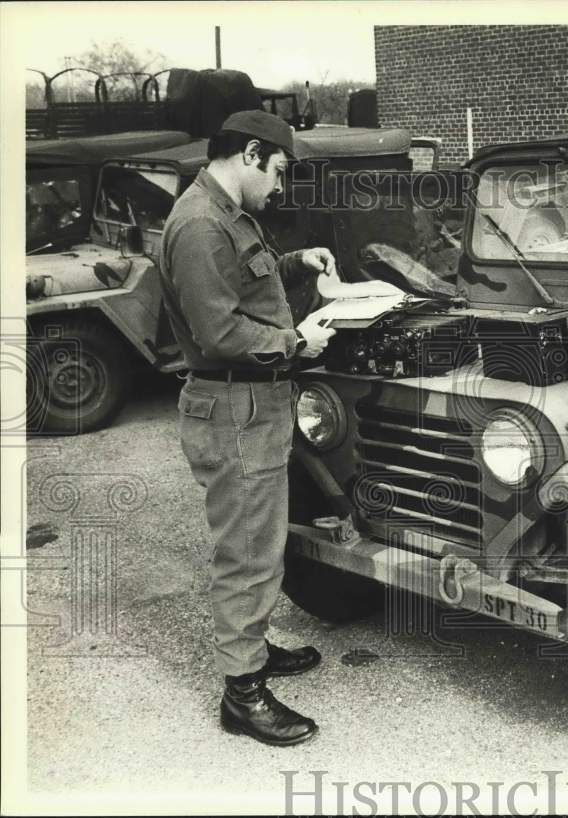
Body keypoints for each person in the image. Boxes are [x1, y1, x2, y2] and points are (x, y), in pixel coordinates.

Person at [159, 110, 338, 746]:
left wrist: (293, 263)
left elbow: (241, 287)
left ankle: (253, 653)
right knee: (246, 555)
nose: (281, 187)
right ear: (254, 154)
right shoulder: (201, 225)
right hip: (235, 410)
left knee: (261, 541)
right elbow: (220, 331)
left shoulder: (225, 215)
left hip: (251, 409)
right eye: (280, 171)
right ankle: (243, 694)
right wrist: (298, 340)